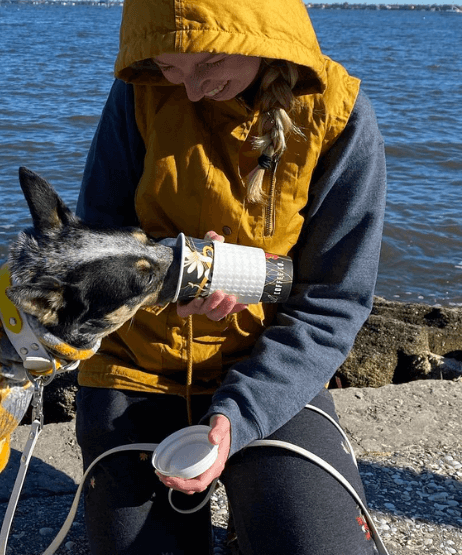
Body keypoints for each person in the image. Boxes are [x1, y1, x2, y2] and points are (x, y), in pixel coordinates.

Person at [74, 0, 386, 554]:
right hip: (134, 366)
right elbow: (92, 246)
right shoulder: (140, 91)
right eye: (171, 69)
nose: (189, 91)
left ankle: (257, 508)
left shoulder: (338, 113)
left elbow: (334, 300)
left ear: (262, 35)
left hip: (265, 365)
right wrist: (167, 277)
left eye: (207, 63)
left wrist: (239, 417)